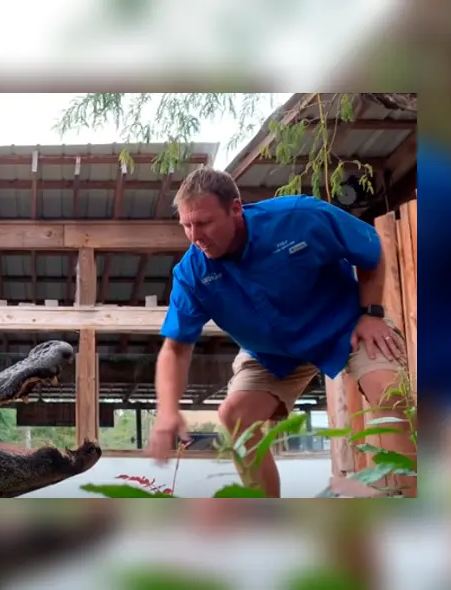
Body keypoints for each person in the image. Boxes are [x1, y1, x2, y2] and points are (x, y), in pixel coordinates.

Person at [147, 167, 416, 498]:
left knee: (393, 395)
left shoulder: (301, 216)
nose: (195, 235)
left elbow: (371, 250)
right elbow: (176, 348)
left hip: (345, 325)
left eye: (203, 223)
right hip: (269, 353)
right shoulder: (191, 273)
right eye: (186, 225)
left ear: (235, 209)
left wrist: (372, 313)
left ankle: (412, 501)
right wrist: (168, 410)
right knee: (234, 416)